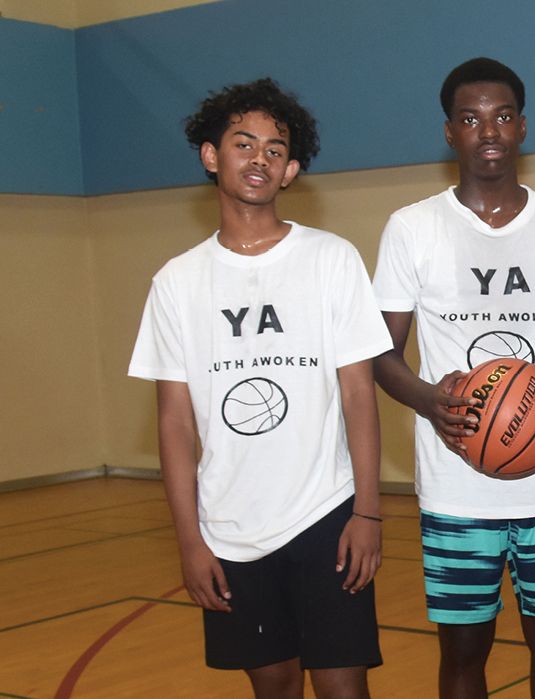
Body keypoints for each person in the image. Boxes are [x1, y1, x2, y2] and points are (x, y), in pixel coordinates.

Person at [129, 78, 389, 698]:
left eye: (276, 150)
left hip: (325, 513)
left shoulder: (331, 258)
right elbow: (174, 422)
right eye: (244, 144)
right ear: (211, 155)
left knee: (344, 690)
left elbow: (358, 395)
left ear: (292, 170)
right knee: (272, 688)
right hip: (229, 528)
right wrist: (190, 542)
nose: (260, 159)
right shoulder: (177, 282)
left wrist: (369, 511)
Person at [370, 58, 535, 698]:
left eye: (501, 116)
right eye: (470, 118)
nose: (487, 130)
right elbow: (381, 355)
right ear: (449, 133)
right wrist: (432, 402)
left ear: (522, 127)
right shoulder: (412, 228)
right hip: (455, 489)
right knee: (464, 652)